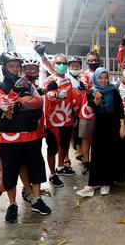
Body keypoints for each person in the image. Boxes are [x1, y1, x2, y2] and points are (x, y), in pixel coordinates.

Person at [0, 52, 51, 223]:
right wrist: (16, 95)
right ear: (4, 68)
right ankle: (12, 205)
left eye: (18, 65)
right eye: (12, 66)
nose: (16, 69)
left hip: (30, 135)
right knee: (10, 172)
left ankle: (36, 199)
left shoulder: (28, 84)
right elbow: (4, 105)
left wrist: (20, 104)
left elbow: (38, 101)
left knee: (36, 168)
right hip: (9, 138)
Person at [76, 67, 125, 197]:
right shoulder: (91, 91)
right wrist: (97, 98)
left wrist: (122, 126)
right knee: (97, 154)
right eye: (100, 78)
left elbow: (120, 109)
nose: (103, 80)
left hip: (113, 125)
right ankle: (91, 185)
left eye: (105, 78)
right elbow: (93, 106)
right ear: (96, 78)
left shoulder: (114, 91)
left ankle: (107, 183)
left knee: (110, 154)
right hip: (99, 125)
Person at [19, 58, 57, 202]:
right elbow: (29, 99)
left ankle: (30, 188)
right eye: (28, 68)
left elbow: (37, 92)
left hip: (36, 128)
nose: (31, 71)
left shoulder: (31, 84)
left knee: (33, 159)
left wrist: (47, 89)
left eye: (34, 68)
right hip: (26, 129)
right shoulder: (21, 83)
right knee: (26, 161)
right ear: (23, 69)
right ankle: (26, 189)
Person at [43, 54, 76, 188]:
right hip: (53, 122)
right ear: (54, 64)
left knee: (64, 146)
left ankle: (60, 167)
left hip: (67, 120)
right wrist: (56, 95)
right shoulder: (50, 80)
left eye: (64, 63)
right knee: (52, 149)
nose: (61, 65)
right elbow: (48, 94)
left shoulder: (68, 80)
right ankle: (52, 174)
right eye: (58, 63)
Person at [78, 51, 101, 174]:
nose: (93, 62)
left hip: (101, 110)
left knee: (98, 138)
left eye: (95, 60)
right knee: (86, 138)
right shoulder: (85, 75)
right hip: (87, 111)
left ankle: (97, 162)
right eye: (90, 60)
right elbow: (83, 86)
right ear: (87, 62)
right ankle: (86, 162)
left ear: (99, 61)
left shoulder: (102, 73)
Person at [66, 56, 85, 164]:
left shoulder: (80, 79)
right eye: (72, 65)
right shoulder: (66, 78)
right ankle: (65, 158)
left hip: (79, 112)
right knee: (67, 136)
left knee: (77, 133)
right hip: (67, 111)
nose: (74, 67)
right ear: (68, 67)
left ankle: (79, 152)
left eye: (77, 66)